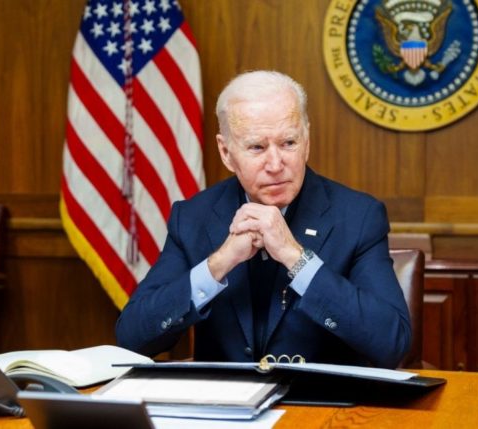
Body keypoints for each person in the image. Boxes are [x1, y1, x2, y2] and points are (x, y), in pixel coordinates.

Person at [116, 70, 411, 368]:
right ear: (226, 152)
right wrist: (219, 263)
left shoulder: (358, 217)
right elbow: (132, 337)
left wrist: (296, 258)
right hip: (225, 408)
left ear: (306, 141)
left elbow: (392, 342)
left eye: (288, 143)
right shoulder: (193, 217)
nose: (275, 164)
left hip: (322, 406)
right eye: (257, 147)